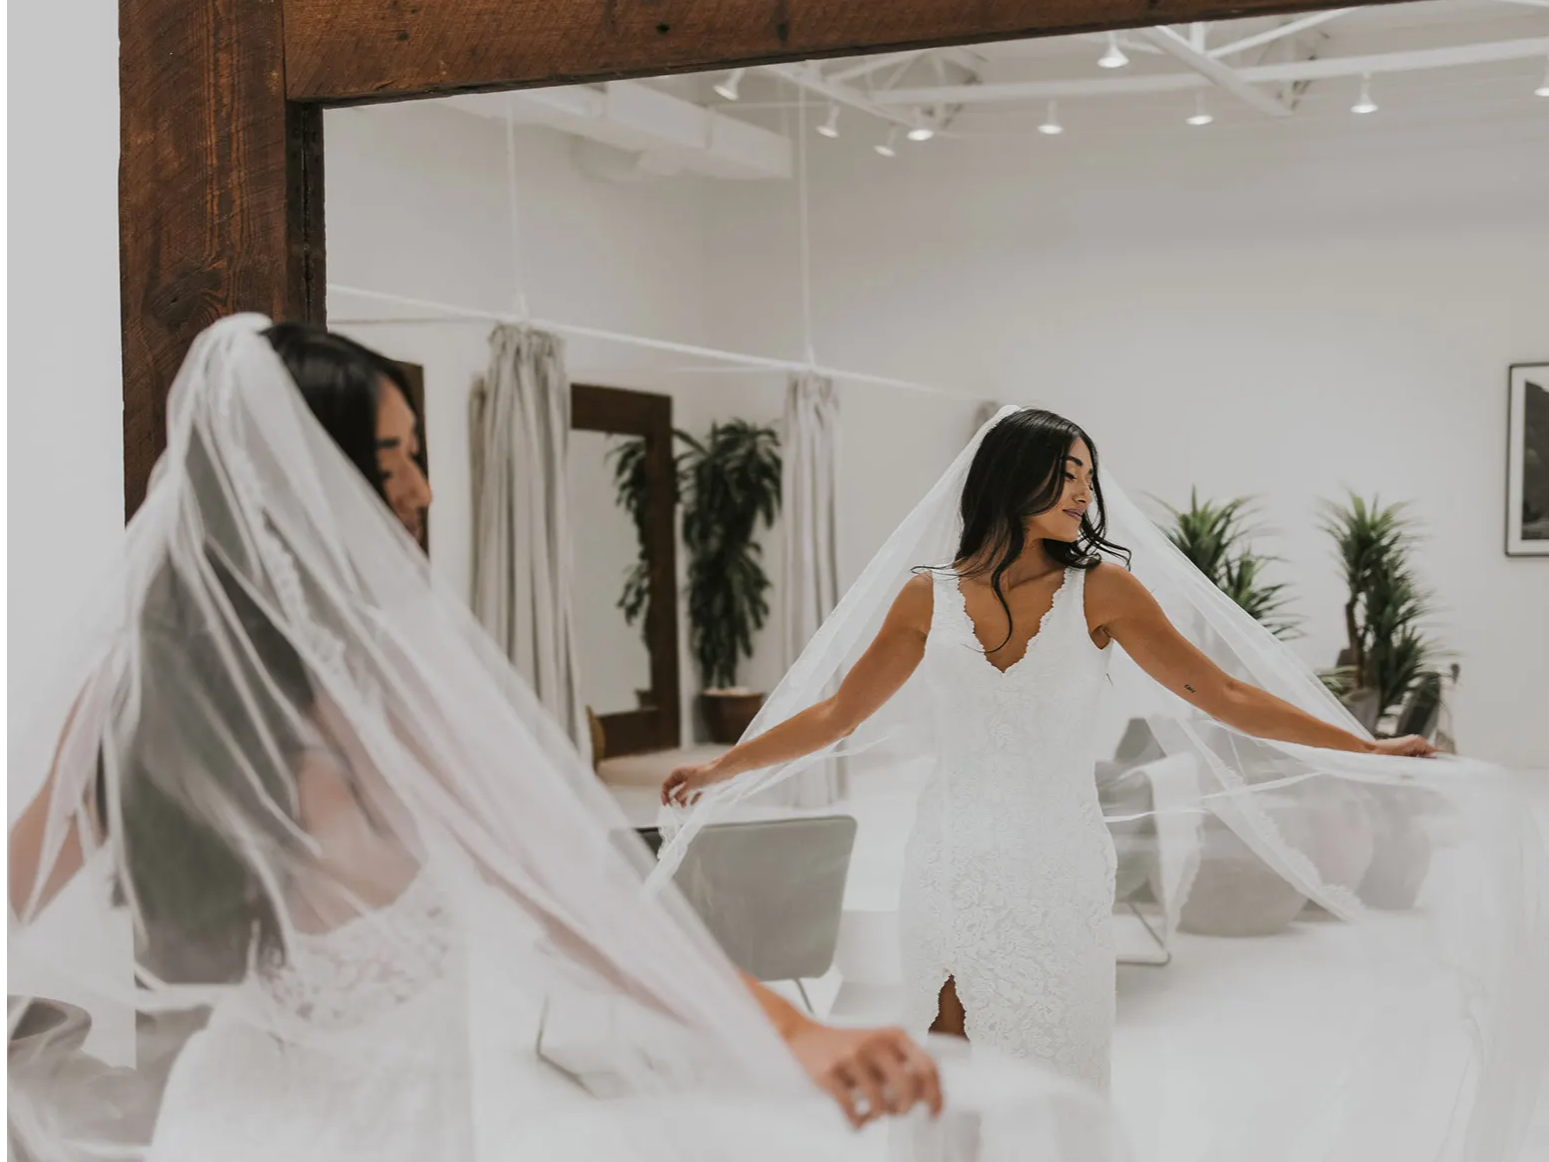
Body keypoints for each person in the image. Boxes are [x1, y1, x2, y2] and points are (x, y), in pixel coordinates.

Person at [7, 320, 1129, 1162]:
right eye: (389, 460)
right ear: (304, 482)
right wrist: (789, 1030)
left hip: (275, 1118)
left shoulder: (155, 685)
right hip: (342, 1126)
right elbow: (581, 897)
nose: (421, 487)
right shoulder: (315, 698)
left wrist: (789, 1027)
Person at [655, 407, 1546, 1157]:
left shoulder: (1106, 592)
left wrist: (1358, 747)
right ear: (1009, 481)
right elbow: (836, 714)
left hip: (1056, 857)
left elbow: (1224, 692)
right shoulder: (924, 597)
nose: (1084, 490)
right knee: (945, 1044)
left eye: (1088, 474)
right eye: (1064, 472)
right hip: (951, 854)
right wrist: (721, 767)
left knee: (1055, 1051)